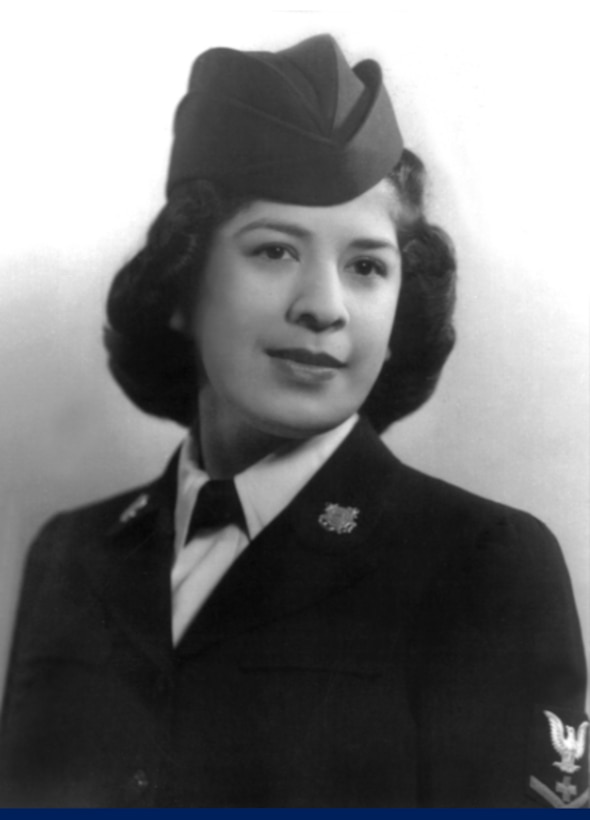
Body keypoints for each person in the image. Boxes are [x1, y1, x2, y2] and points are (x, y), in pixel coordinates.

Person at [0, 34, 587, 809]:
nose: (324, 305)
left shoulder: (482, 566)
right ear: (180, 286)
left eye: (368, 265)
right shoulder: (71, 554)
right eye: (275, 251)